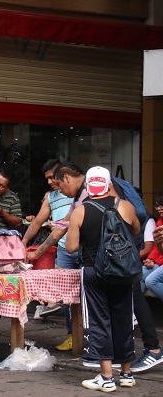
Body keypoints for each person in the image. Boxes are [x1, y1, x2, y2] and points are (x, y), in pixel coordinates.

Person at [66, 166, 139, 391]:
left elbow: (71, 247)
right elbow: (136, 231)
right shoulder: (125, 206)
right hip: (123, 272)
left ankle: (106, 377)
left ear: (88, 186)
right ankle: (126, 374)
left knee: (99, 321)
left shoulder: (80, 211)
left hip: (94, 272)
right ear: (108, 184)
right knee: (124, 319)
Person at [22, 159, 77, 348]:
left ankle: (90, 338)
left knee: (88, 295)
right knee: (67, 296)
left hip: (85, 249)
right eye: (47, 179)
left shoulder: (77, 193)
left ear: (64, 175)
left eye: (52, 177)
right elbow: (37, 222)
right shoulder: (51, 198)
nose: (49, 182)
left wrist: (37, 253)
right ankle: (73, 336)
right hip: (63, 250)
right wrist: (23, 243)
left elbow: (61, 228)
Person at [143, 195, 163, 303]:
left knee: (151, 281)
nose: (159, 208)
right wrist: (151, 259)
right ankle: (135, 313)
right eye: (157, 206)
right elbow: (156, 247)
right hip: (158, 263)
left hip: (160, 264)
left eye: (162, 206)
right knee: (138, 275)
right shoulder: (159, 222)